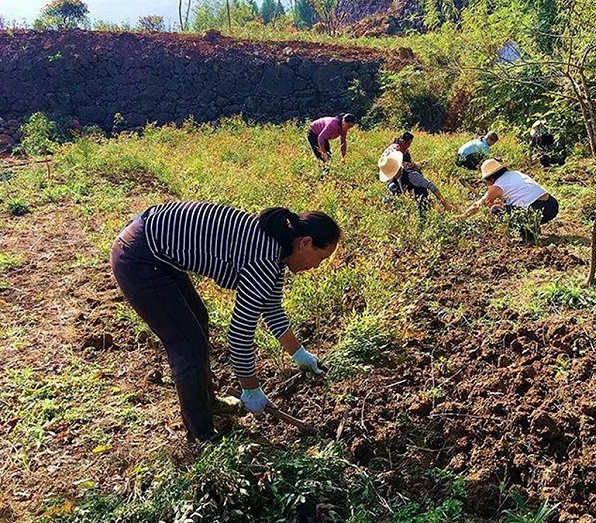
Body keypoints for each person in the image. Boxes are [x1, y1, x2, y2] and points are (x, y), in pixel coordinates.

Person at [110, 202, 340, 443]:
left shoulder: (276, 253)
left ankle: (208, 403)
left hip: (156, 250)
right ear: (305, 243)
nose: (315, 267)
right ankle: (202, 436)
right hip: (139, 257)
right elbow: (240, 333)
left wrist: (300, 355)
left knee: (198, 320)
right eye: (320, 258)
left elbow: (271, 309)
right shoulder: (263, 260)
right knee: (188, 346)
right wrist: (250, 389)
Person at [460, 158, 559, 237]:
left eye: (487, 181)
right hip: (552, 204)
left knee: (496, 210)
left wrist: (462, 217)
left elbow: (478, 205)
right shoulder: (515, 174)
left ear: (491, 178)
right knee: (506, 208)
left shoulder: (497, 186)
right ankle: (533, 227)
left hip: (539, 208)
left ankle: (528, 235)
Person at [379, 132, 454, 212]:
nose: (409, 145)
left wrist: (445, 203)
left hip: (419, 203)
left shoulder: (411, 176)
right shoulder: (395, 151)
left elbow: (432, 187)